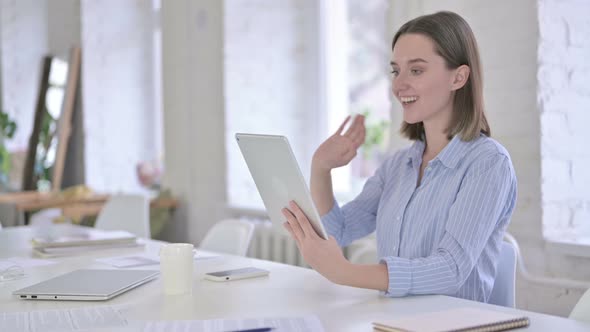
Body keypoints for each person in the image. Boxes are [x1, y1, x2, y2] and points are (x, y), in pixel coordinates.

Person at [281, 11, 517, 303]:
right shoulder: (398, 165)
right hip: (393, 321)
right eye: (396, 71)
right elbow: (338, 231)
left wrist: (344, 272)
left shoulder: (488, 163)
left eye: (416, 71)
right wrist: (321, 169)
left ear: (459, 77)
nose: (398, 84)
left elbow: (451, 269)